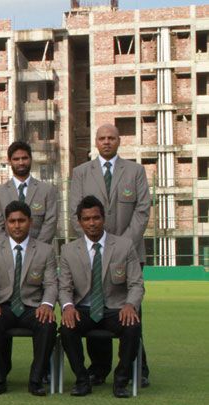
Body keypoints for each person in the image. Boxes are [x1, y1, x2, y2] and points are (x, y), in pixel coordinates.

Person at [68, 124, 151, 387]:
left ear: (119, 141)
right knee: (95, 305)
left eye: (111, 138)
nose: (106, 142)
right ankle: (99, 368)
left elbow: (142, 210)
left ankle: (137, 368)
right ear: (96, 141)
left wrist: (120, 246)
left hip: (129, 252)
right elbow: (75, 213)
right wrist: (95, 241)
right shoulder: (81, 172)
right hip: (92, 251)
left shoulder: (135, 171)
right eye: (102, 138)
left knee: (129, 311)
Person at [59, 195, 143, 398]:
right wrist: (67, 306)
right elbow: (64, 287)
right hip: (84, 309)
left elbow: (136, 283)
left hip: (115, 308)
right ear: (79, 222)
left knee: (132, 326)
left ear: (103, 219)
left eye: (96, 218)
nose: (92, 223)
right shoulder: (68, 251)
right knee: (67, 327)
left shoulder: (124, 246)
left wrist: (130, 305)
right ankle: (82, 380)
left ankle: (121, 380)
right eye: (86, 219)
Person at [0, 201, 57, 396]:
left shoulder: (45, 250)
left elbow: (51, 284)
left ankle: (36, 380)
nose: (17, 225)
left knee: (48, 324)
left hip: (32, 307)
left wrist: (47, 304)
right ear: (6, 223)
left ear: (30, 222)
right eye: (12, 221)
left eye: (21, 220)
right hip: (2, 306)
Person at [0, 141, 58, 243]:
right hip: (7, 251)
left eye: (24, 158)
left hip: (39, 250)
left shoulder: (46, 190)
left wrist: (36, 248)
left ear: (31, 159)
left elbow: (50, 223)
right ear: (9, 161)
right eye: (16, 159)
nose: (21, 162)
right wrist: (12, 249)